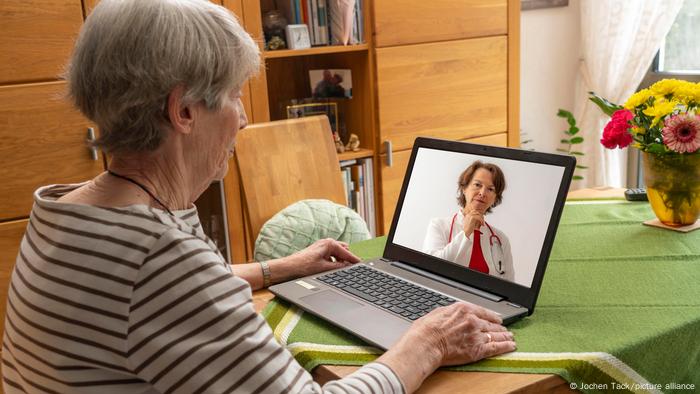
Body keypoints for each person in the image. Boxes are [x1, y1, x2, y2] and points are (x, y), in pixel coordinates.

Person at [1, 1, 515, 393]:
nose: (243, 118)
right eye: (233, 96)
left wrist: (277, 269)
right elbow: (168, 283)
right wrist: (424, 345)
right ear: (182, 111)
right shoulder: (158, 258)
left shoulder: (67, 211)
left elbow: (160, 295)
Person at [423, 161, 515, 282]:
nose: (482, 193)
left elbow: (509, 284)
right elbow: (430, 268)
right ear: (464, 188)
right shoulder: (438, 225)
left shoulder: (501, 239)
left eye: (490, 189)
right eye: (477, 185)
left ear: (495, 198)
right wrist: (465, 233)